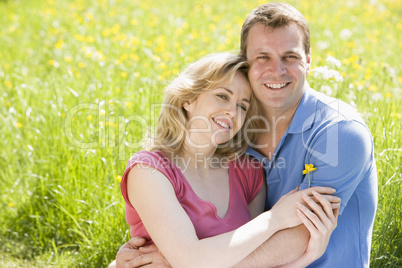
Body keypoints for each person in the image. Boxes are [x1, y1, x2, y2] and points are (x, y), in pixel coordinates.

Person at [113, 2, 378, 267]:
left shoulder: (340, 133)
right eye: (263, 57)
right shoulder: (236, 141)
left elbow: (300, 236)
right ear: (246, 61)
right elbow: (243, 239)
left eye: (290, 56)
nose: (277, 69)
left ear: (308, 61)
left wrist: (176, 262)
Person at [111, 52, 340, 268]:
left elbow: (257, 259)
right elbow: (191, 260)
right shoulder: (149, 171)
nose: (232, 112)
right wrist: (275, 218)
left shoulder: (248, 172)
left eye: (242, 106)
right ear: (188, 99)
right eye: (222, 96)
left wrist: (308, 256)